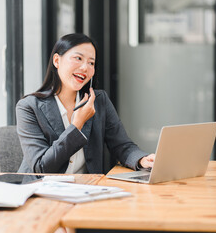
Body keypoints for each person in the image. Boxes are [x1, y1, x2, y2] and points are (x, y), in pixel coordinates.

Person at [16, 33, 155, 174]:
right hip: (41, 191)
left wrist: (142, 159)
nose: (85, 68)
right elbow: (41, 167)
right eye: (78, 58)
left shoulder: (99, 101)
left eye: (91, 63)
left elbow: (122, 146)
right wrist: (77, 125)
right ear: (57, 61)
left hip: (87, 189)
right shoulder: (28, 107)